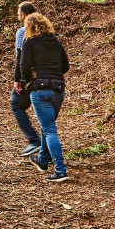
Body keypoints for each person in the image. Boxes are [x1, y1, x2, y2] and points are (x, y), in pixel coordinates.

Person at [20, 12, 70, 182]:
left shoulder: (29, 41)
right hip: (58, 90)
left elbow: (23, 65)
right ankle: (42, 161)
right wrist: (54, 75)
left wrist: (29, 80)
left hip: (40, 90)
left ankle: (60, 170)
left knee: (49, 129)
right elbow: (65, 65)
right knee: (46, 126)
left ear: (29, 26)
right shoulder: (55, 41)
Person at [12, 2, 41, 157]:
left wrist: (18, 79)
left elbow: (20, 57)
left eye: (18, 13)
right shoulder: (44, 31)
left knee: (16, 104)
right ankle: (46, 152)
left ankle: (34, 140)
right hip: (45, 76)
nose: (18, 16)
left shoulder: (22, 32)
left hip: (27, 77)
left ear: (23, 15)